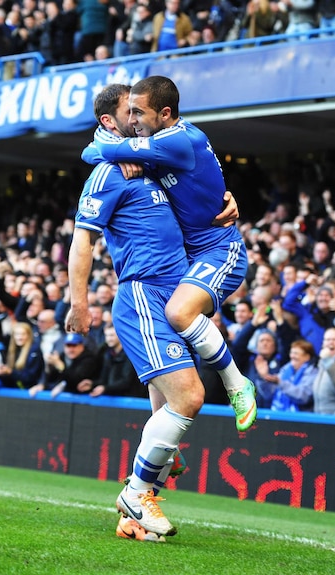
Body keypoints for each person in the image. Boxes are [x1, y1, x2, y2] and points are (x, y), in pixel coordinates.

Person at [67, 83, 209, 538]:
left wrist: (225, 202)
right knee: (188, 398)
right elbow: (82, 239)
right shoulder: (109, 172)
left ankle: (134, 516)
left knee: (169, 409)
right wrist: (80, 301)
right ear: (112, 122)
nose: (139, 117)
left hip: (175, 298)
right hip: (144, 296)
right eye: (130, 111)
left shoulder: (152, 164)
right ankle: (137, 491)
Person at [83, 76, 256, 432]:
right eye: (127, 112)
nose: (132, 120)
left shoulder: (176, 141)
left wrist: (115, 149)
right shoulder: (154, 142)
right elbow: (90, 152)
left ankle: (237, 384)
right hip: (190, 257)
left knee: (178, 313)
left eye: (138, 112)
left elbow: (101, 150)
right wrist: (116, 151)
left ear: (164, 113)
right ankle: (160, 437)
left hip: (220, 249)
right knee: (164, 345)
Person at [264, 339, 318, 412]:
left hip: (300, 419)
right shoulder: (285, 369)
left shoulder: (313, 373)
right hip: (278, 414)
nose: (292, 356)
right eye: (291, 352)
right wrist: (264, 376)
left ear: (307, 357)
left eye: (296, 353)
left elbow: (303, 396)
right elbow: (269, 394)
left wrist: (280, 383)